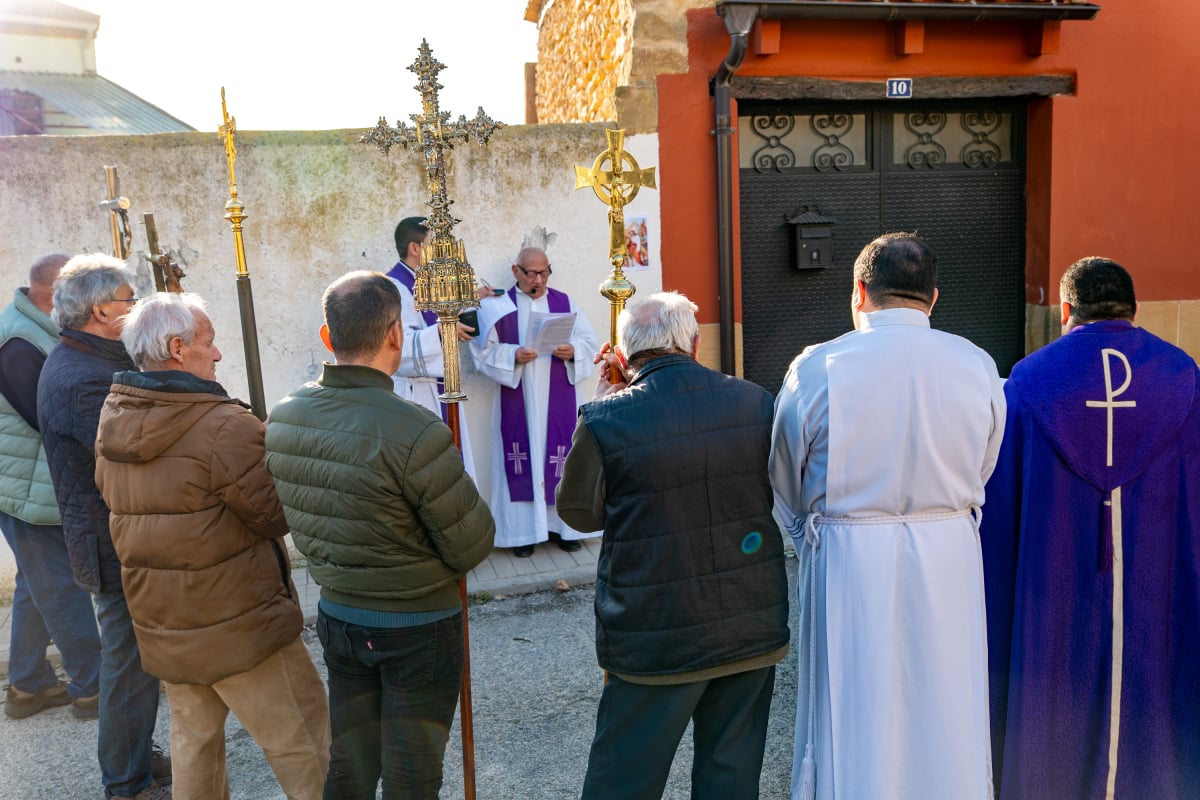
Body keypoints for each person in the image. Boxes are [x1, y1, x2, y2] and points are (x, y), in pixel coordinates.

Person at [770, 232, 1005, 800]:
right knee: (944, 699)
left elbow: (783, 475)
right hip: (948, 551)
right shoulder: (976, 364)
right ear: (933, 298)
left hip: (849, 560)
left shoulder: (819, 367)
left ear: (858, 292)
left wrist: (810, 537)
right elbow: (985, 465)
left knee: (854, 705)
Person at [265, 271, 495, 799]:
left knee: (350, 763)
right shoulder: (413, 428)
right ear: (396, 334)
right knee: (411, 776)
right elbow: (472, 543)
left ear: (328, 337)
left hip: (340, 613)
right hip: (417, 622)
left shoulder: (284, 415)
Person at [93, 293, 330, 800]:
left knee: (194, 753)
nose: (218, 354)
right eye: (209, 342)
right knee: (302, 747)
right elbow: (276, 515)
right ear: (178, 349)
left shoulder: (113, 418)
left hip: (165, 623)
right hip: (240, 626)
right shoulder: (223, 425)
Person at [557, 291, 790, 800]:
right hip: (748, 622)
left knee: (624, 780)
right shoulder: (755, 400)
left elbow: (577, 513)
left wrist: (600, 402)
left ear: (623, 356)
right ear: (695, 342)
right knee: (730, 777)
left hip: (655, 634)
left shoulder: (605, 419)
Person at [981, 257, 1200, 800]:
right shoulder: (1182, 375)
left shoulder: (1030, 381)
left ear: (1065, 310)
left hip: (1054, 574)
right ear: (1135, 311)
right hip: (1157, 570)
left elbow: (1001, 498)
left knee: (1054, 676)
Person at [36, 253, 172, 800]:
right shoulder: (81, 378)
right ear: (99, 311)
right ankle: (127, 782)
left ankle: (135, 756)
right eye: (128, 301)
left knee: (133, 663)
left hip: (112, 535)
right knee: (128, 666)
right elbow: (128, 454)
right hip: (111, 542)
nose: (134, 308)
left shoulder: (88, 358)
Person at [0, 253, 102, 720]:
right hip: (27, 490)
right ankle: (94, 686)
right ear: (56, 290)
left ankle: (27, 686)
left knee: (36, 583)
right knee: (62, 586)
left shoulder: (32, 327)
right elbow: (48, 418)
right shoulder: (18, 342)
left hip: (30, 482)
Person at [472, 246, 599, 557]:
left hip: (558, 401)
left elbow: (589, 343)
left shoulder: (564, 303)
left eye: (544, 272)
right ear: (516, 272)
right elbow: (482, 352)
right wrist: (511, 355)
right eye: (532, 273)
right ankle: (522, 535)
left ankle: (565, 529)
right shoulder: (498, 306)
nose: (539, 279)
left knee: (562, 460)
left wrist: (573, 351)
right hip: (519, 400)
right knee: (522, 462)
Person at [386, 216, 476, 478]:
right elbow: (397, 348)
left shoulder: (430, 284)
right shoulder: (394, 288)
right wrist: (441, 331)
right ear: (415, 248)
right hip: (417, 394)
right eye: (435, 245)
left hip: (441, 389)